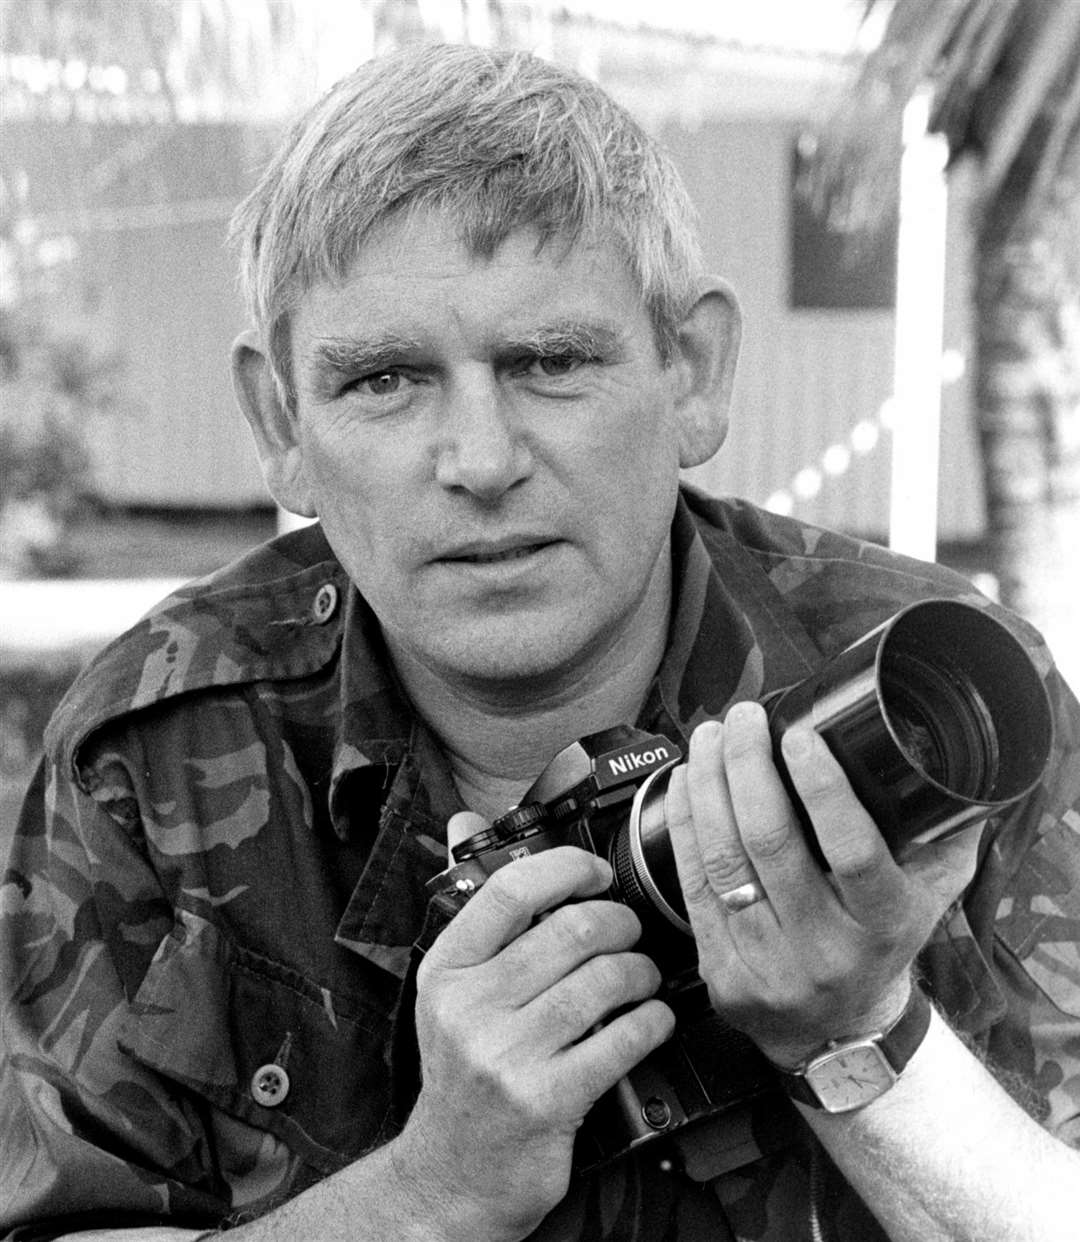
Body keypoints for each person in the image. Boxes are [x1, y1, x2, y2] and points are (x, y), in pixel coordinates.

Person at [2, 42, 1078, 1242]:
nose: (481, 461)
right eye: (386, 381)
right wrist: (434, 1191)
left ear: (692, 373)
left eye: (552, 362)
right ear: (279, 422)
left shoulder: (942, 694)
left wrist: (857, 1036)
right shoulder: (156, 745)